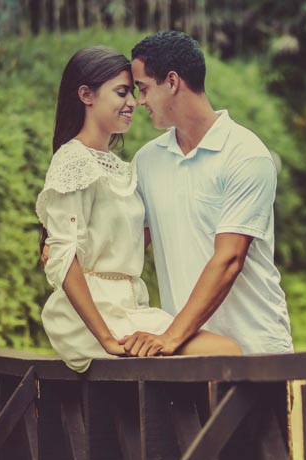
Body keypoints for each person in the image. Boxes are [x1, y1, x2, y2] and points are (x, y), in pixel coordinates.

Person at [36, 46, 242, 371]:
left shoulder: (122, 168)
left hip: (131, 307)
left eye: (133, 92)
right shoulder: (72, 161)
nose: (133, 102)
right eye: (122, 92)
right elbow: (65, 260)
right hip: (90, 318)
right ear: (86, 95)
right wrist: (106, 339)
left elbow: (131, 237)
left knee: (219, 352)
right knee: (224, 351)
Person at [120, 31, 294, 358]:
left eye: (143, 88)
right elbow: (126, 244)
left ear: (172, 82)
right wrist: (68, 243)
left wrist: (170, 336)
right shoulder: (146, 161)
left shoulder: (245, 155)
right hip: (188, 352)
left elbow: (229, 259)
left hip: (255, 351)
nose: (139, 101)